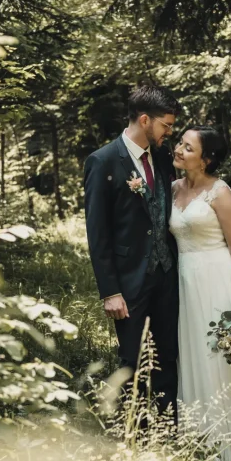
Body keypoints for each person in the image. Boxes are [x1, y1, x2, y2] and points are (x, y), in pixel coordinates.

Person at [83, 84, 181, 420]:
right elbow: (98, 233)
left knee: (168, 354)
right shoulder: (103, 161)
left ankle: (169, 427)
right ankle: (134, 431)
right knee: (134, 358)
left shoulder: (164, 157)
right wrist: (110, 291)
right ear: (144, 120)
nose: (170, 132)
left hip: (167, 276)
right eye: (166, 125)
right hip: (128, 281)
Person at [169, 125, 231, 460]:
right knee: (189, 354)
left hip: (216, 277)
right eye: (180, 143)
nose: (178, 149)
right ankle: (197, 436)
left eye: (187, 148)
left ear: (205, 160)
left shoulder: (221, 193)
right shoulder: (173, 188)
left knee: (217, 357)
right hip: (183, 281)